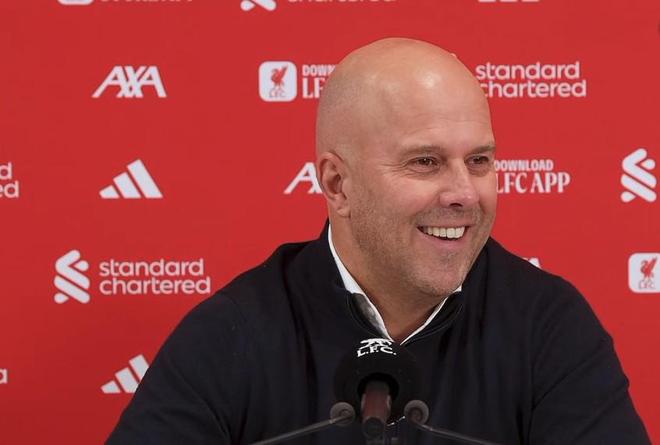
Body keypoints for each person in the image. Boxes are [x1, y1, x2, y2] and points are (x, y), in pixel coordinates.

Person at [106, 38, 650, 444]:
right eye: (425, 162)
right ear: (338, 185)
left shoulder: (549, 325)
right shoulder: (232, 334)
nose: (464, 192)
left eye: (479, 160)